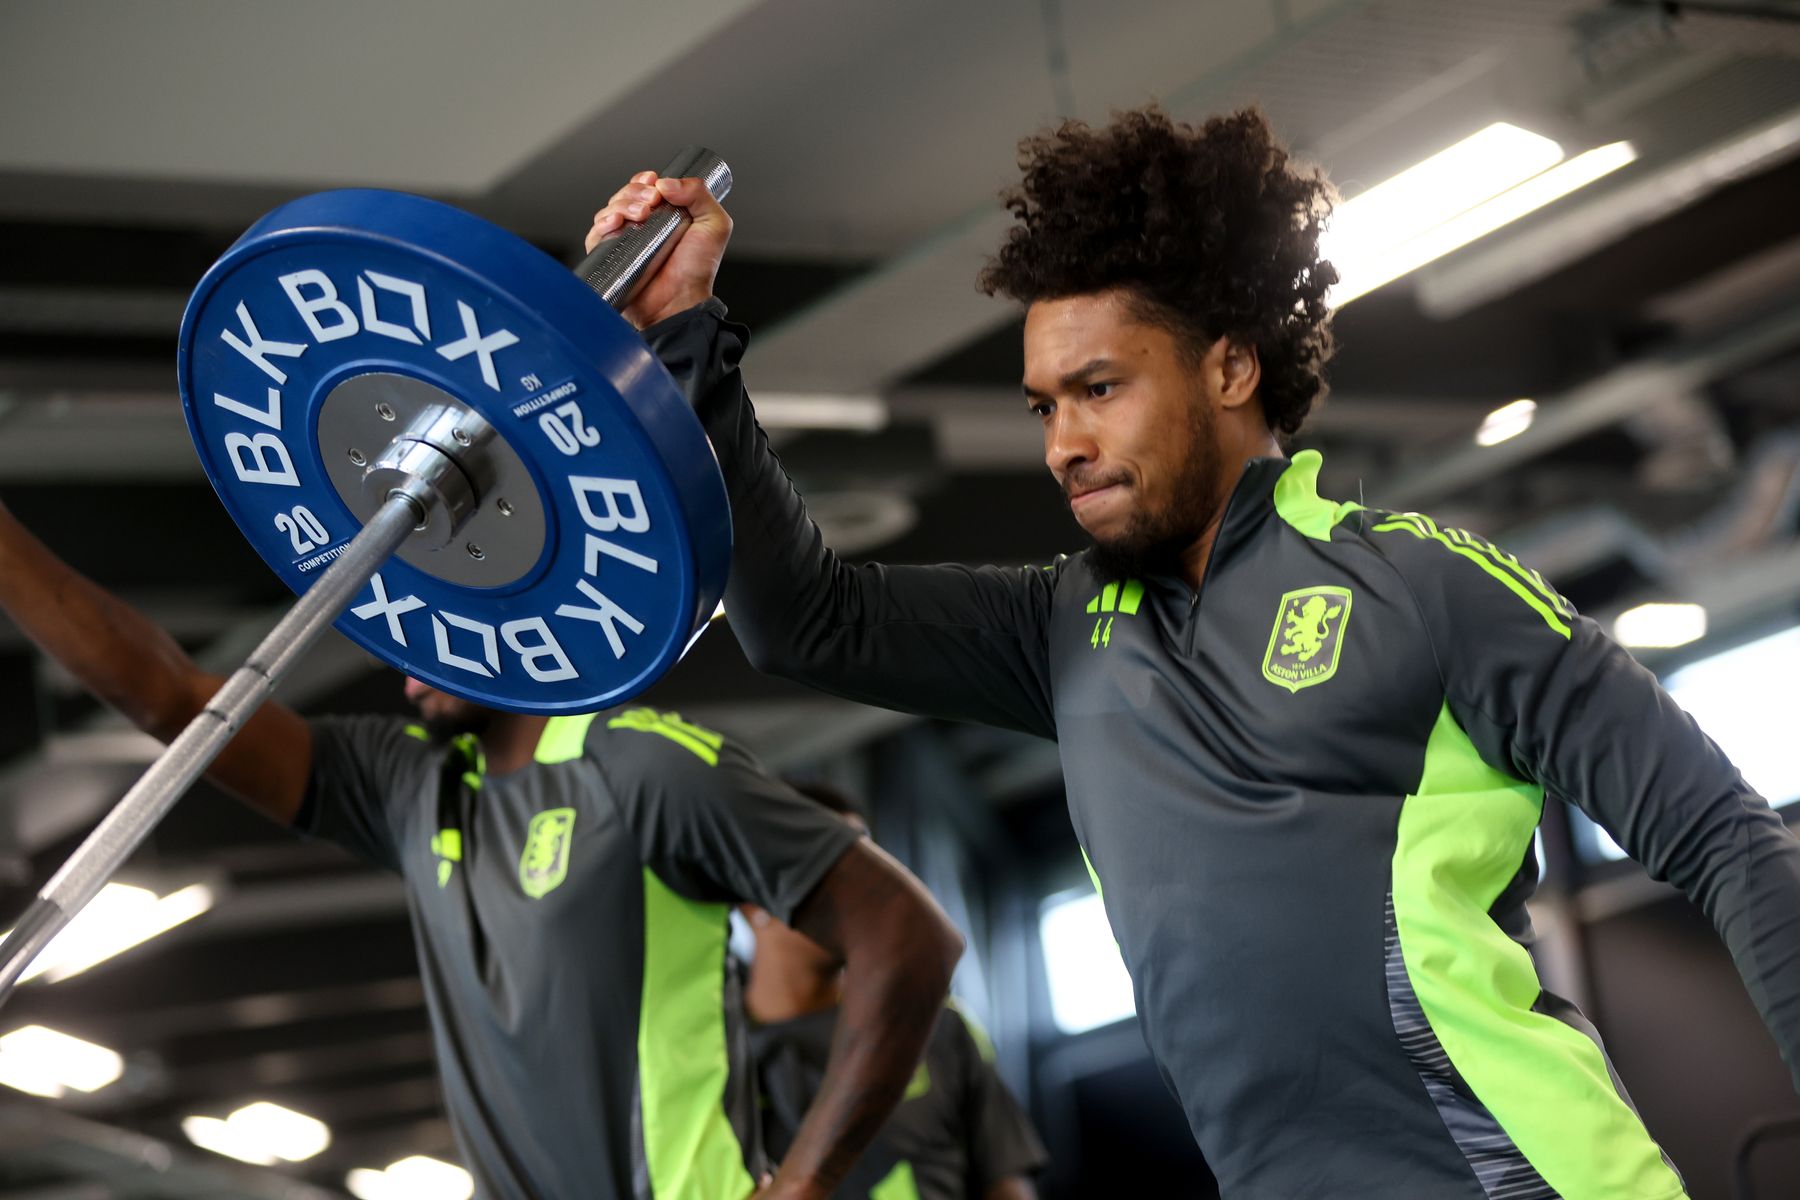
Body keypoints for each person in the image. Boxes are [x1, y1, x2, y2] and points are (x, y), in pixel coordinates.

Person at [589, 106, 1800, 1199]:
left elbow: (1722, 839)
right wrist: (687, 339)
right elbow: (804, 621)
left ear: (1230, 365)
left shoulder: (1419, 585)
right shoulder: (1061, 626)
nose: (1064, 441)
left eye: (1100, 388)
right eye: (1045, 405)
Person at [0, 500, 965, 1200]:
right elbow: (169, 698)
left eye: (427, 605)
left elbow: (910, 935)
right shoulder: (410, 786)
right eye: (392, 616)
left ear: (509, 603)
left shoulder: (640, 767)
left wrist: (802, 1186)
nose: (400, 640)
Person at [740, 781, 1045, 1200]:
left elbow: (1006, 1180)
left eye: (870, 867)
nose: (864, 892)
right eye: (833, 868)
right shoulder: (718, 1064)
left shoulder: (936, 1024)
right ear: (751, 899)